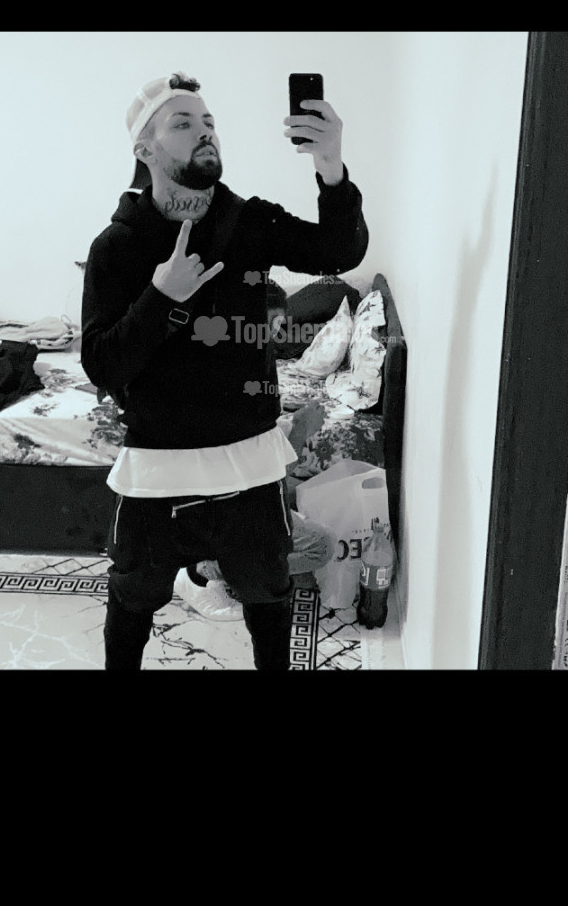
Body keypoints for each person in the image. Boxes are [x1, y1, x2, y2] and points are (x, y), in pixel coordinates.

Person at [81, 70, 368, 670]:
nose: (205, 131)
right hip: (157, 468)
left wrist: (331, 164)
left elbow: (339, 251)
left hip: (249, 462)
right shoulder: (117, 247)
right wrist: (161, 297)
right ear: (145, 149)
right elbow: (102, 365)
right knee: (132, 603)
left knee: (268, 595)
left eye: (209, 121)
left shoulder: (250, 224)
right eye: (183, 122)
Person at [175, 281, 336, 620]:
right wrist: (301, 427)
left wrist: (289, 423)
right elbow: (267, 472)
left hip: (232, 491)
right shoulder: (225, 374)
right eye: (265, 325)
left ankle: (233, 562)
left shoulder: (238, 361)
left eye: (276, 327)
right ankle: (200, 573)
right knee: (319, 547)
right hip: (221, 502)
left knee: (301, 514)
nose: (269, 336)